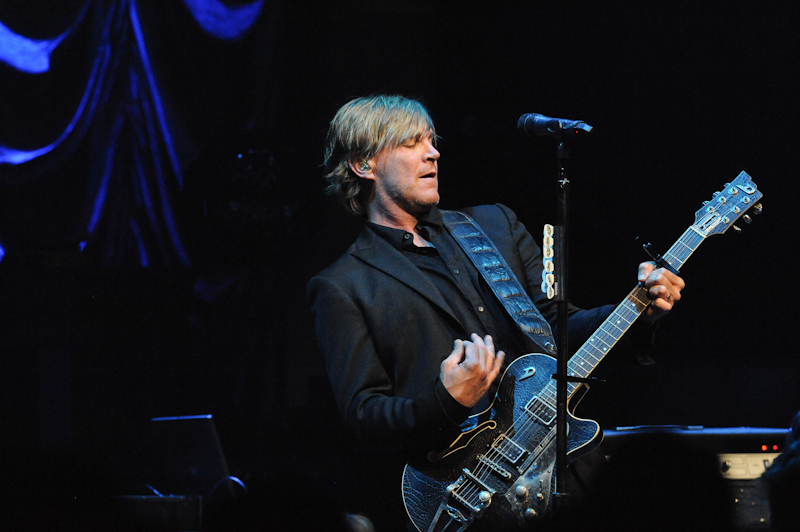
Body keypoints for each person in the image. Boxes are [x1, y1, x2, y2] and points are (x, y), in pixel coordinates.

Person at [307, 94, 684, 530]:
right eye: (411, 143)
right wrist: (446, 402)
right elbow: (362, 417)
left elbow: (556, 331)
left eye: (431, 140)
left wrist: (640, 312)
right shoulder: (343, 285)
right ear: (363, 165)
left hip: (557, 471)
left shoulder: (493, 225)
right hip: (461, 497)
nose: (433, 152)